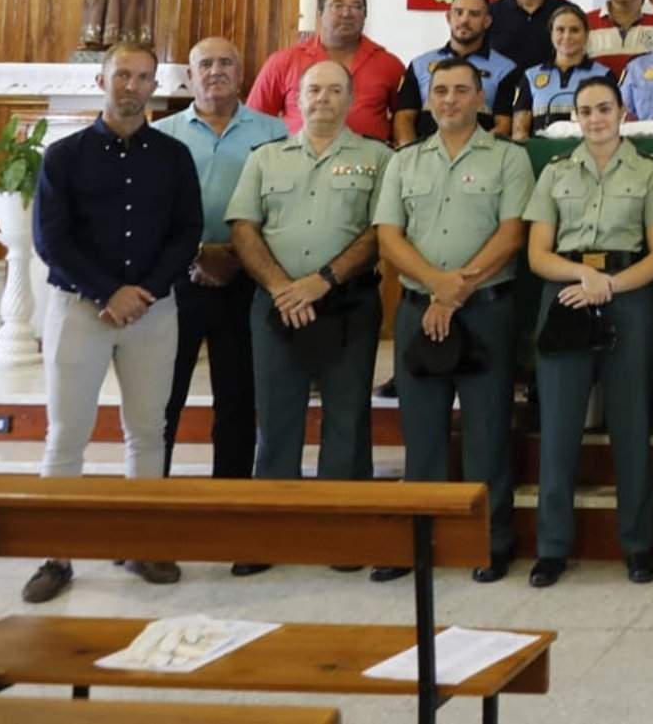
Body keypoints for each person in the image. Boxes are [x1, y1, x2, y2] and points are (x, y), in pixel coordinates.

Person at [22, 42, 203, 604]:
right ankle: (55, 555)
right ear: (102, 80)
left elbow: (186, 231)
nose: (132, 85)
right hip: (80, 308)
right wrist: (109, 291)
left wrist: (142, 292)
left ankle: (142, 542)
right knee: (66, 435)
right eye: (122, 74)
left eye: (144, 77)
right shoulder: (64, 156)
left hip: (153, 311)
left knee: (148, 432)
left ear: (155, 87)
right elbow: (51, 239)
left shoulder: (173, 157)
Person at [372, 57, 535, 584]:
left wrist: (457, 288)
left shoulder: (509, 159)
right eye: (440, 91)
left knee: (488, 435)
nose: (449, 100)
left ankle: (490, 542)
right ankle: (420, 544)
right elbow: (389, 237)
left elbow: (512, 234)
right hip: (421, 310)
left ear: (480, 100)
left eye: (461, 91)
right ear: (428, 100)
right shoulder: (405, 162)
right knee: (423, 438)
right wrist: (436, 285)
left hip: (486, 309)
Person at [224, 61, 387, 549]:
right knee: (277, 416)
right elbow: (243, 227)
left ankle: (343, 533)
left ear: (350, 98)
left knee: (347, 416)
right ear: (296, 97)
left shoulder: (378, 158)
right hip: (277, 304)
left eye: (335, 90)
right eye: (314, 90)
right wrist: (280, 286)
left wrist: (325, 280)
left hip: (347, 304)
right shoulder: (264, 158)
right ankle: (272, 533)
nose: (323, 98)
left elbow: (380, 232)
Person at [523, 76, 653, 588]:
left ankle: (638, 545)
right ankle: (551, 548)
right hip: (567, 292)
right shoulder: (555, 172)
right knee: (561, 429)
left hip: (626, 292)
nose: (595, 119)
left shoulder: (649, 172)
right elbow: (538, 253)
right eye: (585, 111)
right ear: (576, 118)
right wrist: (582, 278)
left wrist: (607, 285)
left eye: (604, 109)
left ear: (622, 112)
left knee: (630, 427)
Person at [156, 38, 285, 485]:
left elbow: (282, 207)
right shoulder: (164, 133)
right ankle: (153, 501)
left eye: (226, 62)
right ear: (189, 77)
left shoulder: (274, 132)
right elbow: (155, 213)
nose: (215, 71)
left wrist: (239, 255)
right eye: (204, 64)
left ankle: (230, 499)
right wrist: (196, 255)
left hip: (246, 279)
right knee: (164, 399)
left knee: (238, 398)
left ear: (241, 73)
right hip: (177, 281)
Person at [248, 0, 403, 142]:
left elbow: (405, 117)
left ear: (365, 15)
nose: (347, 13)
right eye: (337, 6)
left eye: (357, 7)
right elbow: (255, 119)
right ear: (320, 13)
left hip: (369, 162)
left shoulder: (389, 64)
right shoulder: (284, 61)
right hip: (297, 160)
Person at [392, 0, 516, 146]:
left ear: (487, 22)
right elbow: (404, 118)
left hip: (480, 157)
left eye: (474, 14)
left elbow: (504, 125)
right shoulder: (419, 65)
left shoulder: (506, 69)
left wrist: (475, 152)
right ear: (449, 17)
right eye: (458, 12)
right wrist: (410, 155)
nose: (464, 20)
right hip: (424, 156)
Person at [504, 4, 614, 141]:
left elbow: (612, 126)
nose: (567, 36)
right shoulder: (531, 76)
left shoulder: (603, 75)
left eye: (574, 30)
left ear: (586, 35)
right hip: (542, 156)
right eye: (560, 30)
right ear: (551, 34)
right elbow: (520, 132)